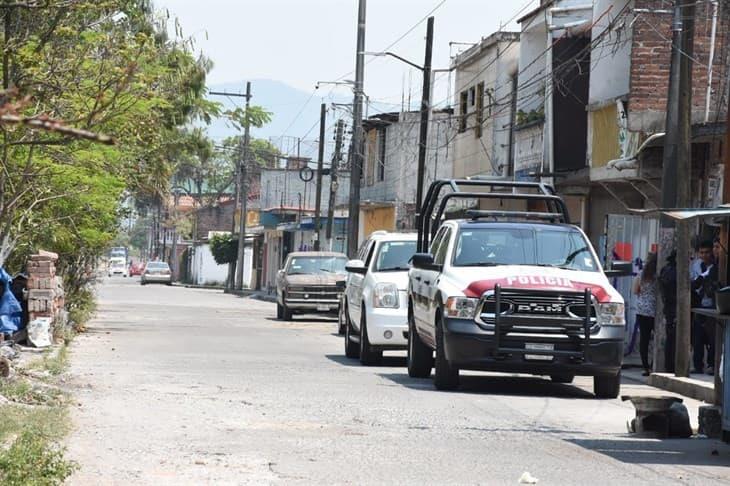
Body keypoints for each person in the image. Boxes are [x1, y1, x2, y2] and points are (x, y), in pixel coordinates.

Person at [692, 239, 718, 375]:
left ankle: (712, 365)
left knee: (713, 338)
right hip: (699, 305)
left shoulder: (716, 266)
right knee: (698, 337)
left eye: (707, 252)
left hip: (712, 306)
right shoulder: (696, 265)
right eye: (701, 253)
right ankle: (697, 365)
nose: (704, 255)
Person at [633, 253, 657, 376]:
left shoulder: (641, 275)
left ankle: (645, 367)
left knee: (644, 339)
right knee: (657, 339)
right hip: (654, 311)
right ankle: (654, 365)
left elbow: (635, 291)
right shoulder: (657, 276)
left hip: (642, 310)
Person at [659, 250, 677, 374]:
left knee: (671, 338)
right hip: (673, 308)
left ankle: (669, 365)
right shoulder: (674, 272)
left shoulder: (666, 270)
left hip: (669, 307)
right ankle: (670, 366)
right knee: (673, 339)